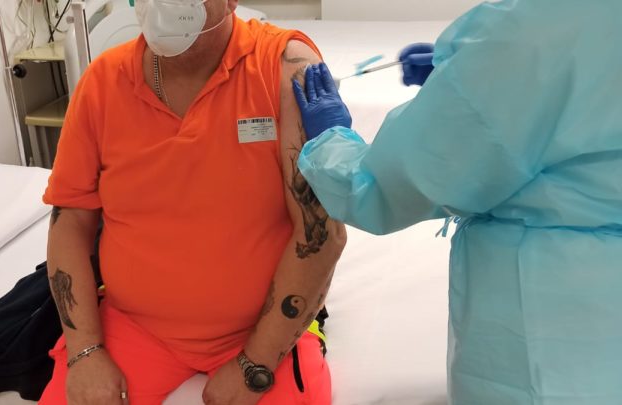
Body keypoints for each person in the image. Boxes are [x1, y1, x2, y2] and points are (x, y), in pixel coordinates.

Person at [292, 0, 622, 404]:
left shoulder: (533, 29)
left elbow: (386, 187)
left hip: (552, 325)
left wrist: (329, 142)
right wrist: (474, 79)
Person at [40, 0, 346, 404]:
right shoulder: (103, 82)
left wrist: (255, 363)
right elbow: (70, 223)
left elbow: (321, 236)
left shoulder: (283, 69)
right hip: (133, 325)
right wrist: (85, 351)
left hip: (262, 329)